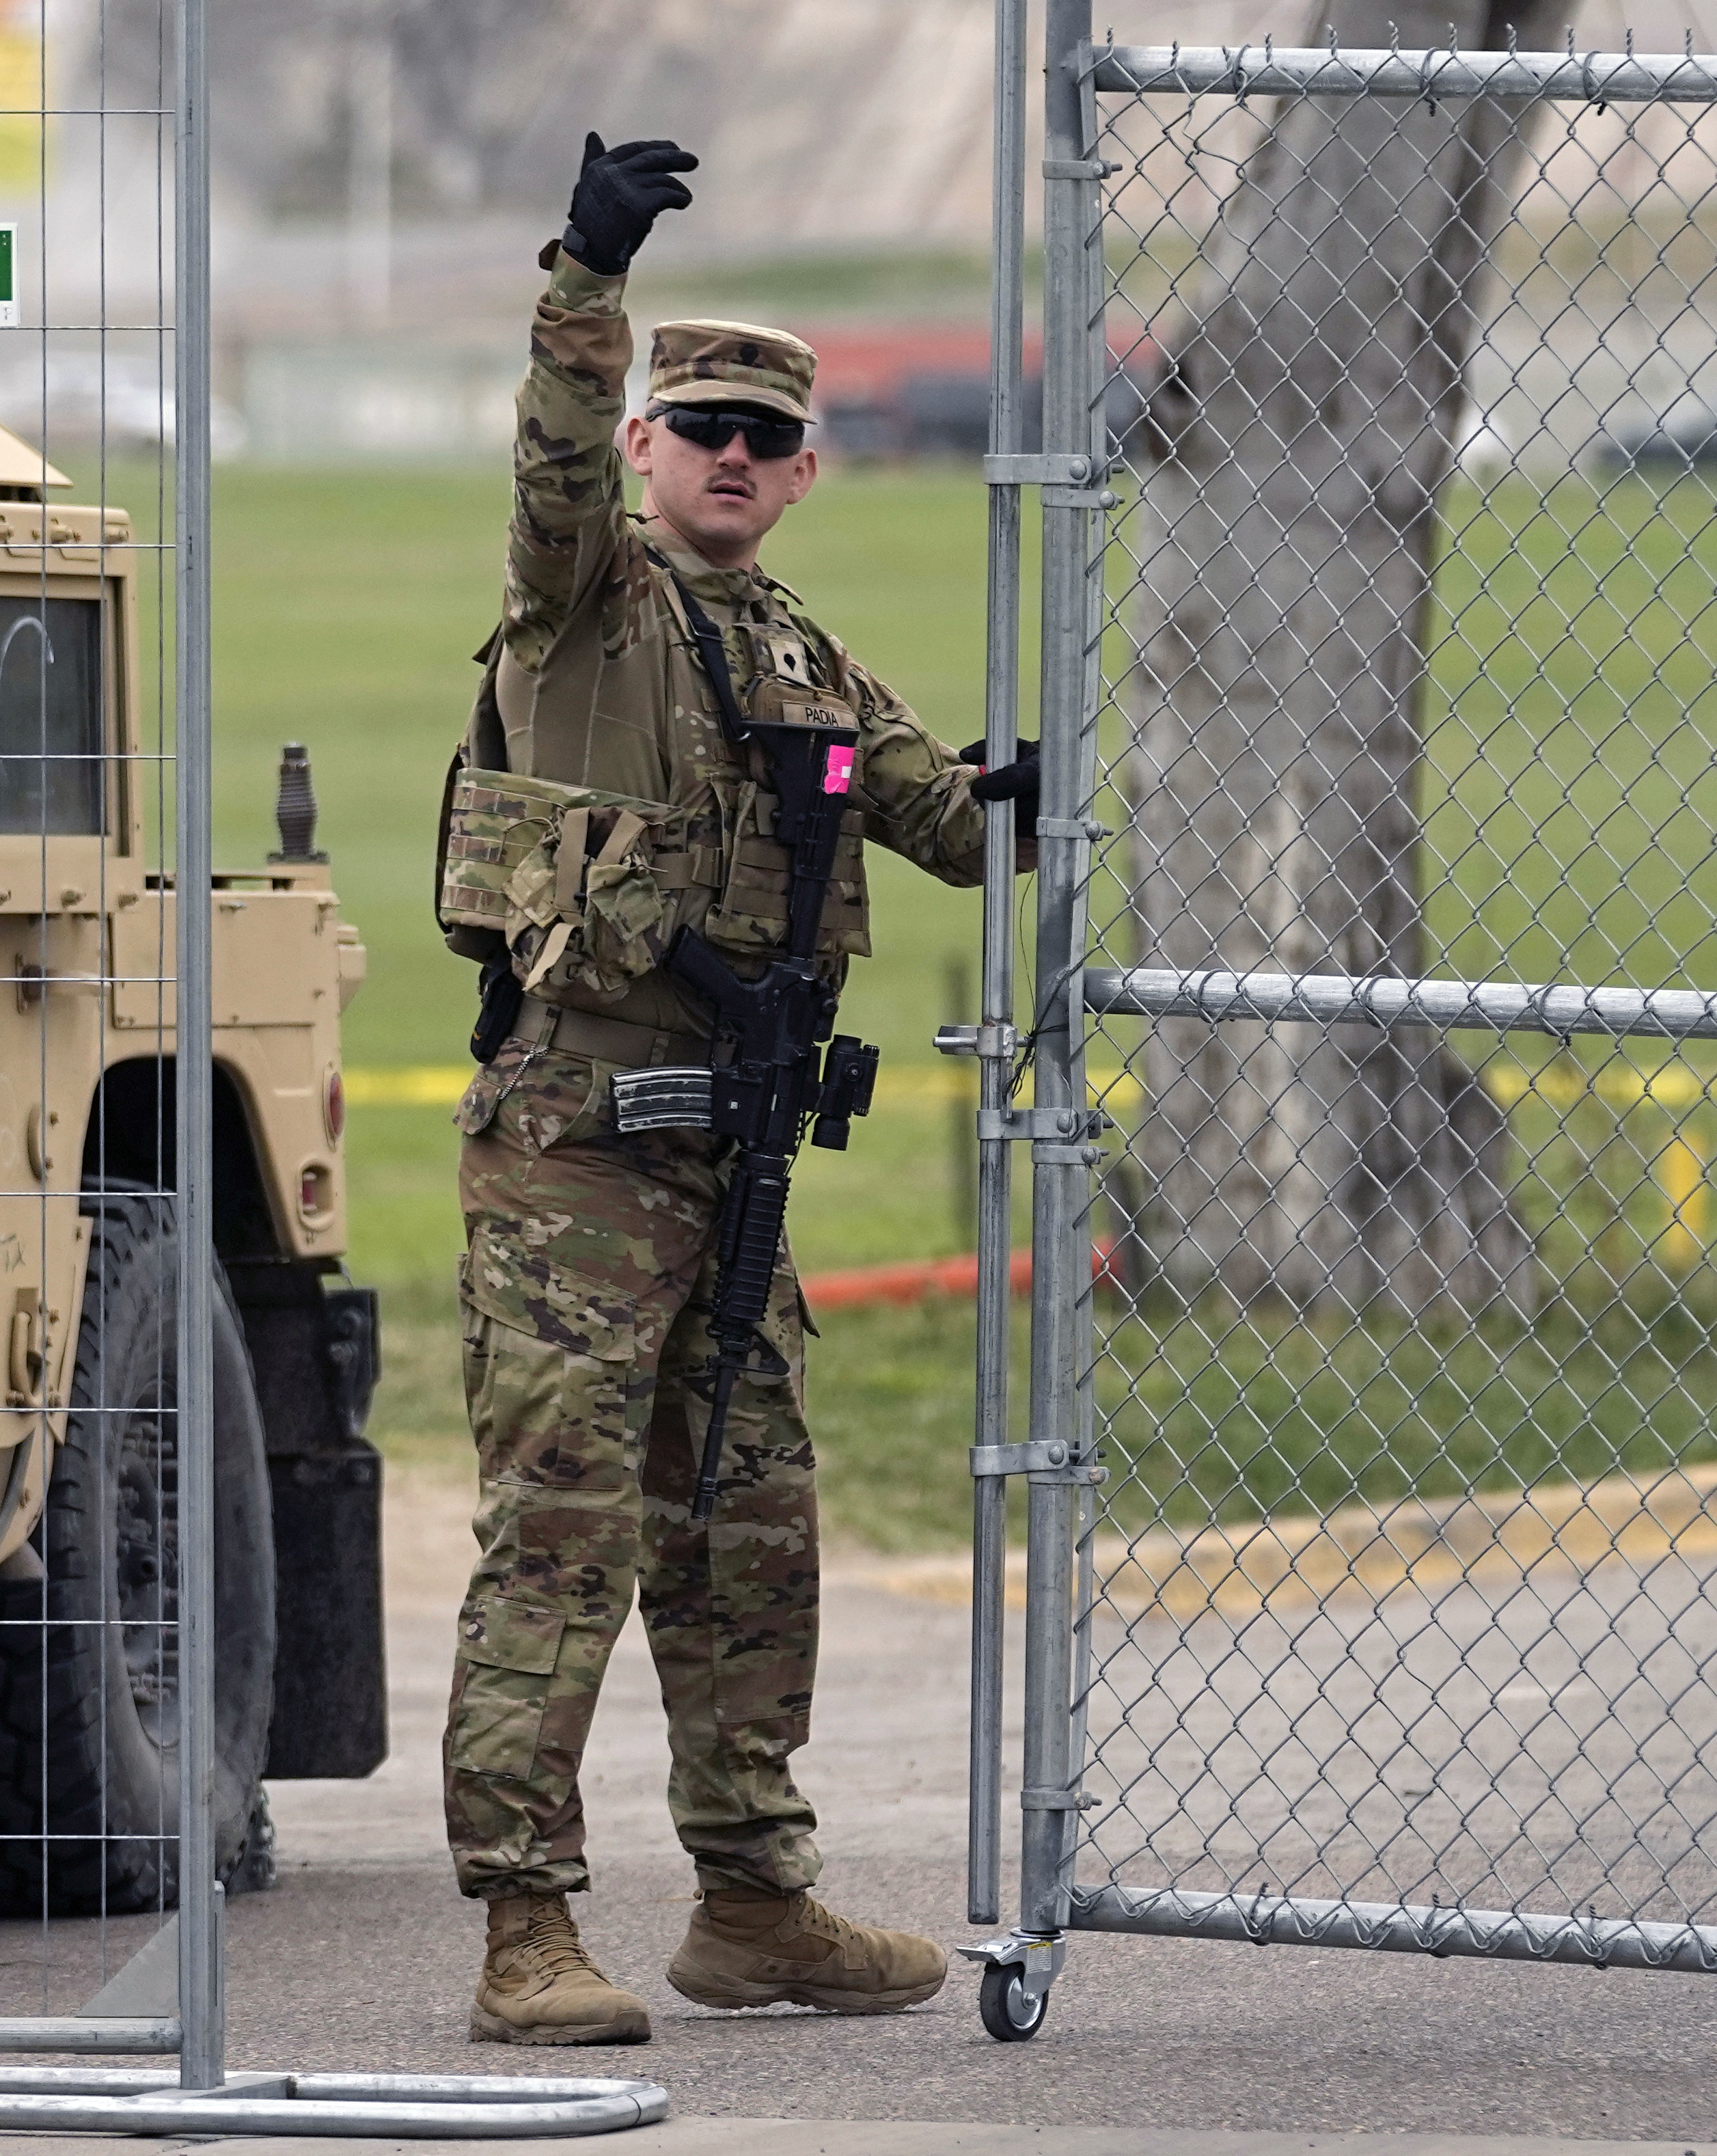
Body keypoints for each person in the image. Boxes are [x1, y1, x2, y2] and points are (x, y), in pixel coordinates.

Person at [434, 133, 1038, 2046]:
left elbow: (948, 820)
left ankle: (754, 1900)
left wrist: (1030, 787)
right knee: (563, 1532)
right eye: (695, 424)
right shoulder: (581, 604)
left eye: (763, 438)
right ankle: (524, 1927)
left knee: (749, 1527)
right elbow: (543, 461)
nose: (728, 457)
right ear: (644, 442)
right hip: (577, 1159)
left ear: (803, 467)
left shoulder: (801, 654)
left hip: (733, 1168)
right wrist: (583, 279)